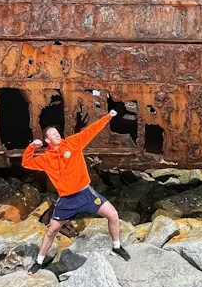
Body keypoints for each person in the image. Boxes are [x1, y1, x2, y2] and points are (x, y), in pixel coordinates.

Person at [22, 109, 131, 274]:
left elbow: (90, 131)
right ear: (46, 140)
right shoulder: (45, 159)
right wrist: (31, 146)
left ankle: (116, 246)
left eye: (57, 133)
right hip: (66, 200)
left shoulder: (73, 143)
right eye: (53, 134)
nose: (57, 135)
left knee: (113, 214)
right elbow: (26, 162)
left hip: (85, 194)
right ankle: (39, 261)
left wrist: (108, 117)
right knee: (52, 230)